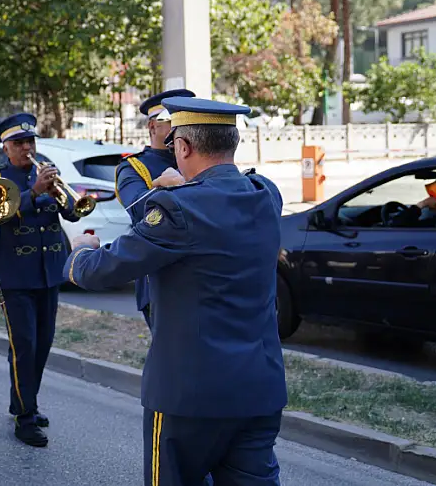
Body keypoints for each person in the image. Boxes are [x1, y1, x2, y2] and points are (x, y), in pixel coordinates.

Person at [66, 97, 288, 486]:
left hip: (190, 397)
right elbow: (217, 204)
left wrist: (80, 252)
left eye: (175, 147)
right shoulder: (266, 194)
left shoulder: (176, 208)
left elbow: (101, 271)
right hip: (258, 389)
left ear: (183, 147)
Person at [0, 112, 81, 447]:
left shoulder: (46, 169)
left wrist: (64, 198)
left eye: (30, 141)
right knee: (23, 345)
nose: (27, 148)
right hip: (15, 275)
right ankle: (24, 417)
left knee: (42, 344)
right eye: (19, 143)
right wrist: (35, 193)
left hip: (47, 271)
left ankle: (27, 402)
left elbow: (71, 211)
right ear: (6, 147)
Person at [114, 88, 195, 328]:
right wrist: (164, 188)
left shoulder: (199, 157)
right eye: (173, 120)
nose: (181, 127)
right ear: (152, 127)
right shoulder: (134, 167)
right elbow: (139, 210)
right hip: (161, 277)